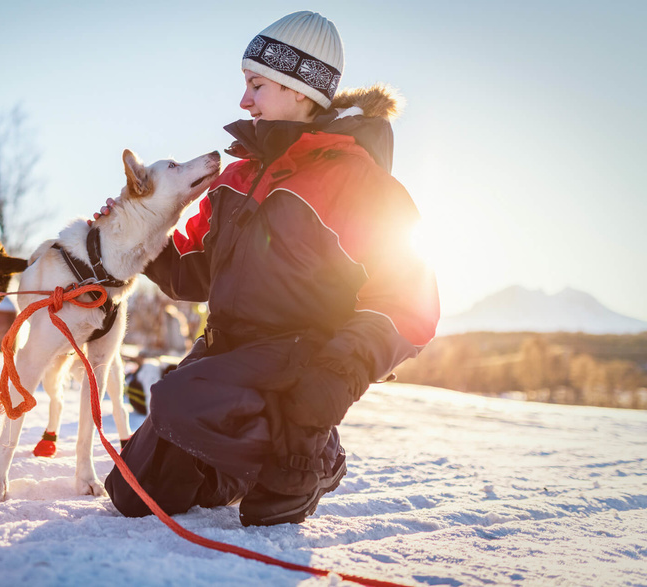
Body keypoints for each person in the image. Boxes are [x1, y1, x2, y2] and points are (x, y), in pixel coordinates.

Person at [103, 10, 440, 526]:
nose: (243, 100)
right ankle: (241, 471)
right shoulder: (237, 176)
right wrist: (134, 230)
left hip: (303, 359)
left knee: (174, 399)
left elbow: (410, 300)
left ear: (300, 90)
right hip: (228, 356)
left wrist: (336, 375)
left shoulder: (356, 180)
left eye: (255, 84)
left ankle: (312, 453)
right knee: (133, 491)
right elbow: (192, 272)